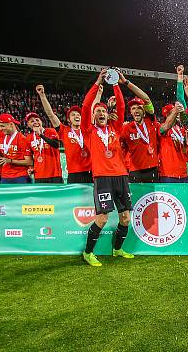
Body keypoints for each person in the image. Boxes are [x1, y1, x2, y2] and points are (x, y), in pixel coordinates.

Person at [79, 69, 134, 266]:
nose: (101, 113)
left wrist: (116, 83)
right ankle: (88, 252)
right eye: (97, 111)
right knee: (102, 218)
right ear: (93, 116)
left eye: (103, 110)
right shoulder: (88, 131)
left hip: (121, 176)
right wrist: (97, 83)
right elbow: (86, 106)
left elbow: (120, 106)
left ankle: (117, 249)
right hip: (102, 178)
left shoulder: (116, 128)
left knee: (126, 218)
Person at [37, 86, 93, 183]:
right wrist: (42, 96)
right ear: (68, 120)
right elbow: (50, 114)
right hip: (74, 173)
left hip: (90, 171)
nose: (77, 116)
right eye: (73, 115)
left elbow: (91, 109)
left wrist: (99, 93)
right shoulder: (64, 130)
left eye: (79, 115)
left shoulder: (87, 130)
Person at [118, 74, 160, 183]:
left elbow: (146, 99)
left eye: (139, 108)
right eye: (133, 108)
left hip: (153, 169)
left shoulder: (150, 120)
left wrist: (127, 83)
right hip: (134, 171)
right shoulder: (126, 127)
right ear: (130, 112)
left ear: (144, 110)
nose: (136, 110)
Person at [0, 113, 33, 184]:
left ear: (11, 124)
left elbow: (29, 162)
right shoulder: (2, 138)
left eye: (2, 126)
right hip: (5, 175)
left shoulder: (22, 139)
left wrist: (10, 161)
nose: (0, 129)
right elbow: (2, 154)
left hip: (20, 176)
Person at [25, 112, 63, 183]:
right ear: (28, 125)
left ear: (41, 121)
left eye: (37, 120)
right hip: (39, 175)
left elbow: (56, 145)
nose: (35, 122)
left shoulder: (51, 131)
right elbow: (29, 157)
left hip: (55, 174)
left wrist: (41, 135)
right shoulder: (28, 138)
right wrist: (31, 168)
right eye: (32, 121)